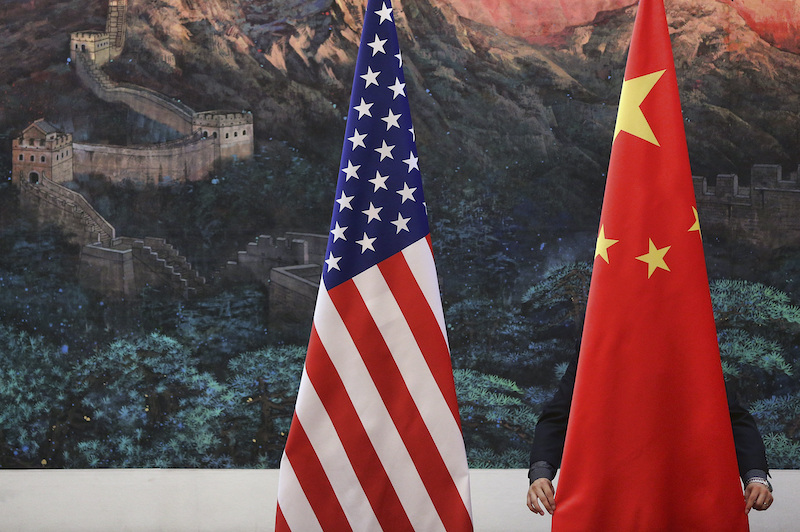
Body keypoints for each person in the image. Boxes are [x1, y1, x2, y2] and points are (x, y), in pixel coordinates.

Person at [526, 347, 774, 517]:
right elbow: (556, 417)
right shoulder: (595, 346)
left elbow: (733, 417)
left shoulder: (687, 345)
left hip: (682, 493)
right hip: (610, 496)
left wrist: (756, 479)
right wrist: (540, 474)